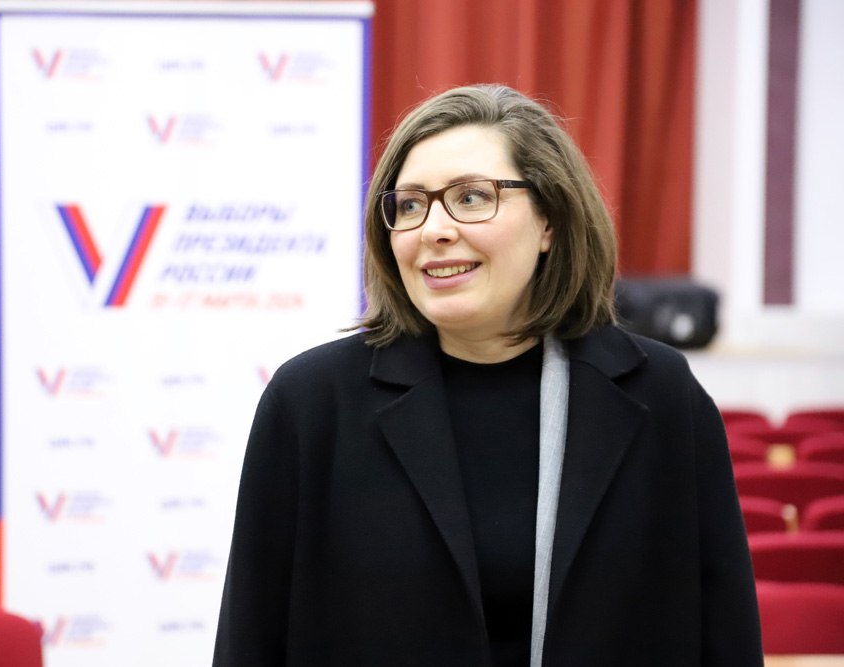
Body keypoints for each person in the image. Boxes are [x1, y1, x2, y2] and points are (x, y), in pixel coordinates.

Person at [213, 84, 762, 666]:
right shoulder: (311, 403)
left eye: (472, 197)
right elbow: (251, 637)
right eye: (410, 205)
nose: (433, 229)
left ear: (549, 219)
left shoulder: (660, 394)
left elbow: (723, 637)